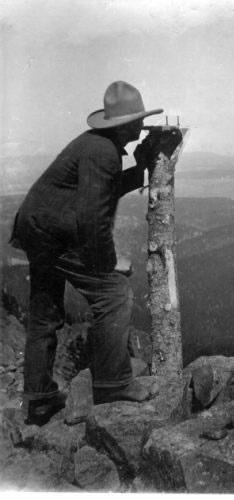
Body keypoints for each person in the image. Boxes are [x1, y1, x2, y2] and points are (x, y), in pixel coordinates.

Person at [9, 81, 163, 426]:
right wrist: (109, 264)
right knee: (114, 293)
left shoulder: (97, 146)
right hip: (55, 234)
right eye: (138, 120)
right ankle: (113, 384)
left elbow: (100, 191)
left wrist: (138, 170)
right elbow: (93, 220)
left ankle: (39, 397)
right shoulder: (103, 152)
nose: (142, 127)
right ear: (124, 125)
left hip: (37, 227)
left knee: (45, 312)